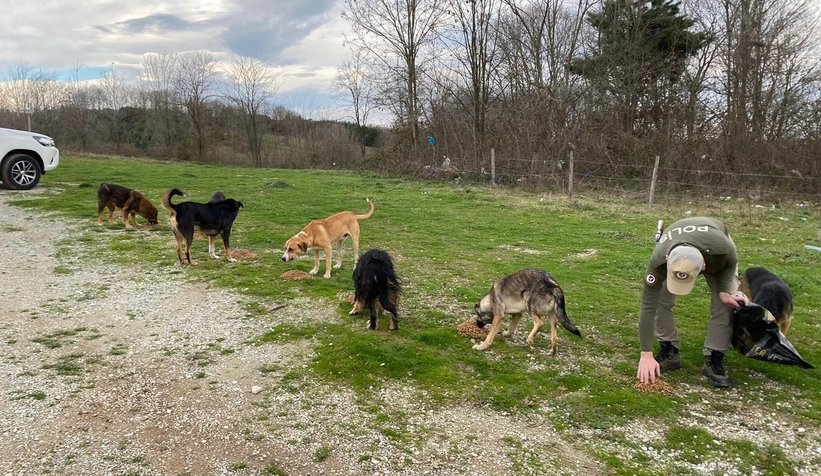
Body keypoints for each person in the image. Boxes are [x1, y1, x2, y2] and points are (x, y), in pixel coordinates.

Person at [636, 217, 747, 388]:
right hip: (677, 239)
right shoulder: (659, 260)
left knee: (725, 303)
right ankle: (669, 350)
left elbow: (731, 263)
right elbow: (647, 307)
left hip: (713, 245)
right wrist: (646, 355)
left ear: (703, 266)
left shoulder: (722, 249)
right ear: (668, 259)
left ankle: (714, 357)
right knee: (659, 300)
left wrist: (725, 291)